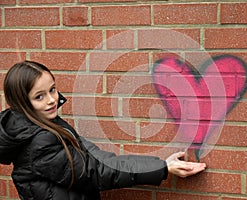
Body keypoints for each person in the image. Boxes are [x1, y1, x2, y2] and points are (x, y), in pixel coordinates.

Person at [0, 61, 206, 200]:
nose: (52, 100)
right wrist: (161, 169)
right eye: (39, 96)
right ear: (22, 103)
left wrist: (159, 165)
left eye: (52, 89)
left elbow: (90, 154)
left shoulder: (43, 124)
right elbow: (96, 171)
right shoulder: (39, 141)